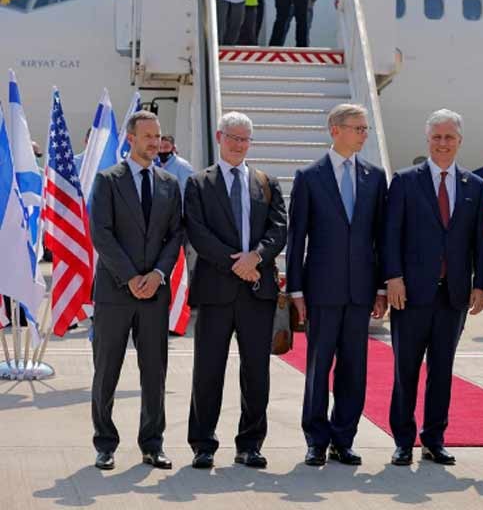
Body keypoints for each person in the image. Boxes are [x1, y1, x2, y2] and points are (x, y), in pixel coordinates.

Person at [384, 109, 483, 467]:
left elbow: (481, 242)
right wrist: (393, 277)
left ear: (460, 141)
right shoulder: (404, 181)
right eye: (437, 137)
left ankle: (434, 438)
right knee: (406, 371)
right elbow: (390, 235)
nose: (443, 144)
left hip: (454, 296)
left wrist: (480, 285)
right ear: (427, 140)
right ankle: (402, 440)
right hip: (410, 294)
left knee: (442, 371)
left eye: (449, 137)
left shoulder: (474, 186)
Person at [184, 112, 287, 470]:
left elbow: (279, 229)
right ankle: (203, 444)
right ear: (219, 136)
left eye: (245, 139)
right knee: (208, 371)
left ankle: (250, 444)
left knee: (256, 372)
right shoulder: (199, 184)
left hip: (257, 293)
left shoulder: (266, 182)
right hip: (216, 291)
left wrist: (256, 257)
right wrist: (236, 264)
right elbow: (197, 233)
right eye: (233, 138)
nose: (239, 145)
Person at [286, 103, 388, 466]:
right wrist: (295, 291)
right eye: (358, 128)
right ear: (335, 130)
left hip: (361, 291)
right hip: (321, 291)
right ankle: (316, 439)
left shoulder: (375, 178)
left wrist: (380, 287)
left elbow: (382, 238)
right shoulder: (309, 177)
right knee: (318, 367)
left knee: (353, 368)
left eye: (365, 129)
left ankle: (343, 438)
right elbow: (297, 237)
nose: (364, 134)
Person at [88, 110, 184, 471]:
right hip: (115, 292)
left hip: (155, 293)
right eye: (148, 136)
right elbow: (102, 233)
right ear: (130, 138)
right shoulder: (108, 180)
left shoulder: (169, 184)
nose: (155, 142)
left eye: (158, 136)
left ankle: (152, 443)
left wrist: (158, 274)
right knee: (106, 370)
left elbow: (176, 234)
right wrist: (130, 277)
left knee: (154, 371)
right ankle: (105, 443)